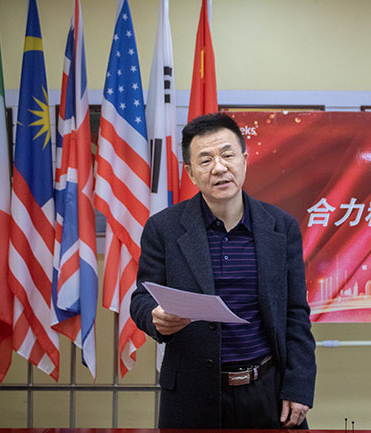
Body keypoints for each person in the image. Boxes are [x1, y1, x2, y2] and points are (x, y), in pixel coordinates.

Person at [130, 112, 317, 429]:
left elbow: (296, 312)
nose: (219, 168)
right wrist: (154, 316)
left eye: (228, 155)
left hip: (266, 390)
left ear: (244, 159)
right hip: (191, 393)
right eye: (205, 160)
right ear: (190, 173)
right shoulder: (164, 228)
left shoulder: (280, 227)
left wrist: (299, 386)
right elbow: (141, 298)